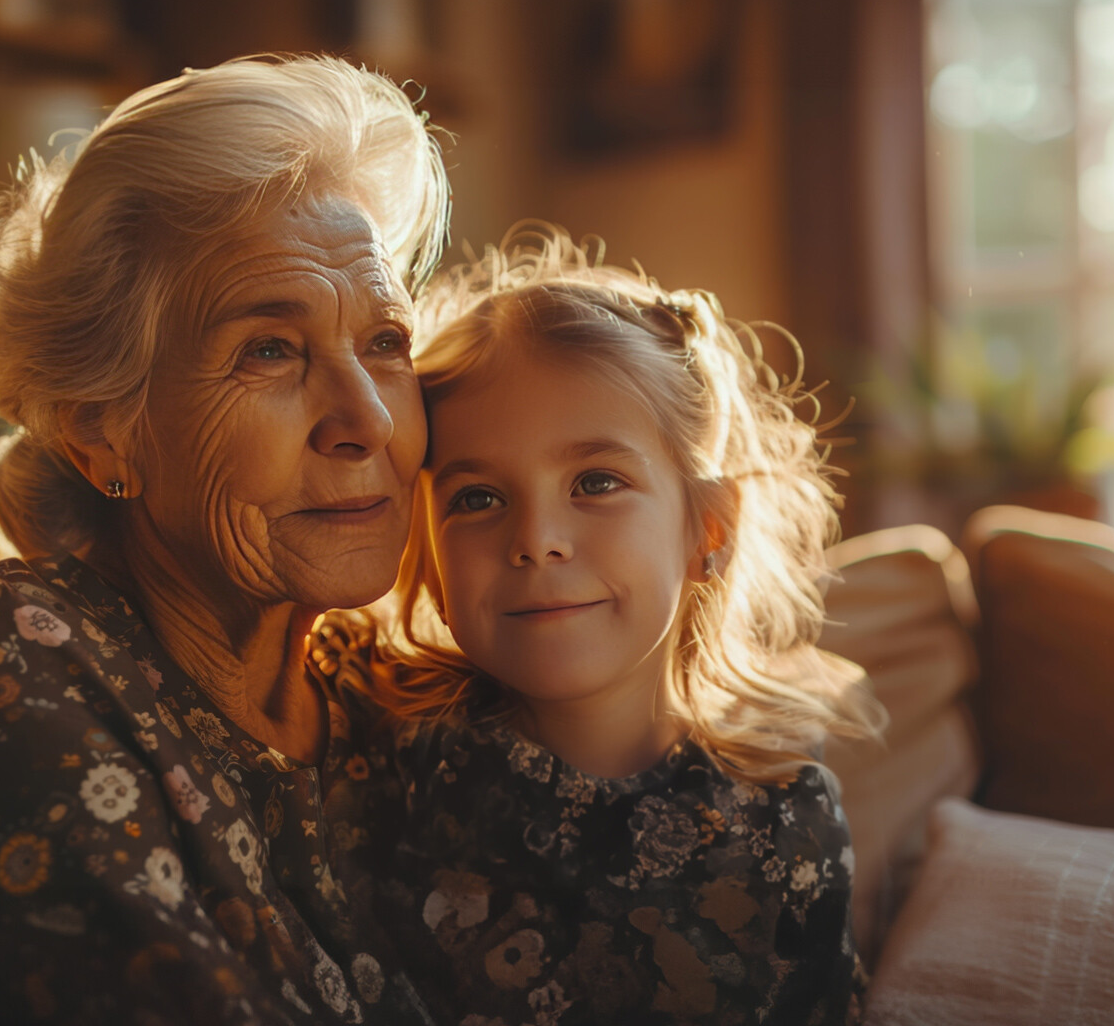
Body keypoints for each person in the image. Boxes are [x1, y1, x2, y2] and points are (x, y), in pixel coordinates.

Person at [0, 55, 449, 1022]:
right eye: (269, 350)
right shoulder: (16, 655)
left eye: (386, 342)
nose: (367, 420)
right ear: (101, 426)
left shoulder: (389, 689)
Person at [357, 226, 885, 1024]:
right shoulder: (380, 755)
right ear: (425, 553)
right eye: (476, 498)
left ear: (708, 529)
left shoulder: (785, 825)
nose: (535, 538)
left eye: (595, 481)